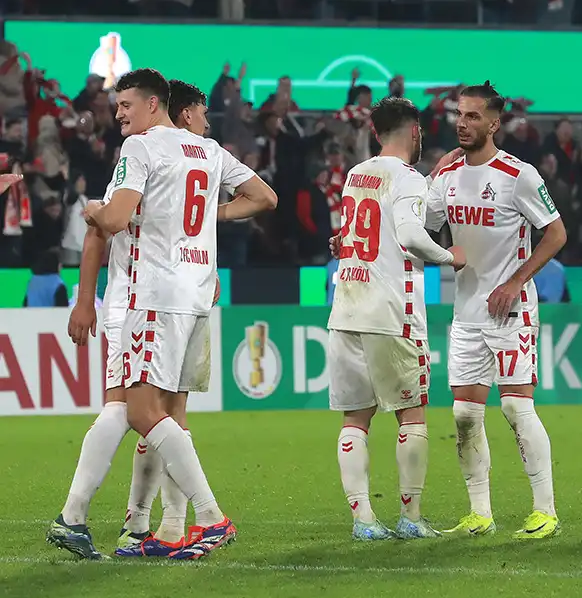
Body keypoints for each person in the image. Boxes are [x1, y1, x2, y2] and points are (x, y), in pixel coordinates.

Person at [48, 68, 277, 561]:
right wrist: (205, 225)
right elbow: (265, 198)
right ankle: (147, 528)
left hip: (149, 297)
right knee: (160, 412)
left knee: (138, 410)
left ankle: (207, 518)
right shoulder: (208, 152)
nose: (119, 114)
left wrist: (91, 207)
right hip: (196, 294)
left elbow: (107, 222)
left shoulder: (141, 150)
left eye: (126, 104)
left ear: (156, 105)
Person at [425, 82, 567, 539]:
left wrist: (514, 281)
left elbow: (556, 234)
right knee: (464, 415)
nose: (462, 123)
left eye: (471, 116)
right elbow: (421, 232)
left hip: (512, 309)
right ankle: (479, 513)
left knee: (515, 407)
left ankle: (545, 509)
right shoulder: (446, 177)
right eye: (458, 115)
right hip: (466, 311)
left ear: (494, 122)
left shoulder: (518, 175)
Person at [327, 97, 465, 540]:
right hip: (392, 312)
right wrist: (449, 256)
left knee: (355, 419)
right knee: (412, 414)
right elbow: (407, 233)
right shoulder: (407, 178)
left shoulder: (356, 174)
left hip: (346, 307)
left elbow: (364, 229)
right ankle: (410, 518)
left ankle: (364, 521)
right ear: (414, 132)